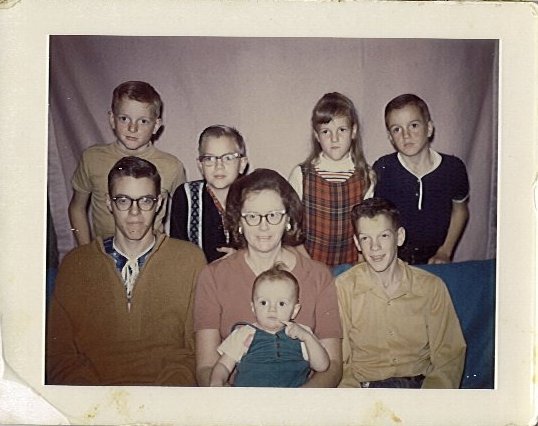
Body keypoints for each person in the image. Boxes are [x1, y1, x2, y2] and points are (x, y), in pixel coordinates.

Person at [47, 156, 206, 385]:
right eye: (123, 200)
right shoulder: (76, 265)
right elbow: (58, 354)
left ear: (159, 203)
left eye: (145, 201)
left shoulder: (189, 260)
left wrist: (166, 396)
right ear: (109, 203)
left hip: (166, 395)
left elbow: (196, 349)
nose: (135, 212)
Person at [194, 168, 342, 387]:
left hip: (301, 400)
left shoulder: (319, 276)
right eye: (252, 216)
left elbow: (333, 365)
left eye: (273, 215)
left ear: (288, 219)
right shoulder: (213, 276)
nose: (263, 226)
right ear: (239, 222)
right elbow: (206, 366)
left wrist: (296, 404)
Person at [336, 198, 466, 389]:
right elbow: (340, 362)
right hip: (367, 388)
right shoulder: (343, 288)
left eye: (384, 236)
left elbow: (449, 356)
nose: (374, 247)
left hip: (420, 386)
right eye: (365, 238)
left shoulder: (431, 287)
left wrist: (432, 399)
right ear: (357, 243)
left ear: (400, 237)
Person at [68, 80, 185, 246]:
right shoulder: (92, 158)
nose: (132, 128)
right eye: (124, 118)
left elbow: (184, 215)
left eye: (143, 121)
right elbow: (77, 208)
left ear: (156, 125)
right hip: (104, 253)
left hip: (153, 254)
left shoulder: (171, 166)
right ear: (112, 119)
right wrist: (86, 250)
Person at [373, 93, 469, 265]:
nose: (406, 135)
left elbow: (460, 211)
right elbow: (376, 220)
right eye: (397, 129)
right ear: (390, 137)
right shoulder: (383, 168)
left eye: (414, 125)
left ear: (429, 128)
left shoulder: (453, 168)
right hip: (394, 260)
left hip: (435, 258)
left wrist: (445, 251)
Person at [288, 92, 374, 274]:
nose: (334, 138)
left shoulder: (366, 176)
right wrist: (308, 264)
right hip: (309, 265)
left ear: (353, 131)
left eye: (341, 130)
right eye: (326, 132)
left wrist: (360, 265)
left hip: (352, 267)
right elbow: (291, 228)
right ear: (317, 135)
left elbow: (368, 229)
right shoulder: (301, 175)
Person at [210, 263, 329, 387]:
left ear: (294, 310)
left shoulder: (301, 334)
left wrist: (308, 338)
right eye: (263, 303)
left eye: (281, 303)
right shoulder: (244, 334)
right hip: (249, 396)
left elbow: (321, 366)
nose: (272, 309)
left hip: (291, 397)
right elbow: (223, 365)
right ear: (253, 307)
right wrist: (216, 382)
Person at [170, 125, 248, 262]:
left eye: (228, 158)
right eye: (210, 158)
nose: (219, 166)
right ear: (200, 165)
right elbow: (178, 249)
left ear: (242, 164)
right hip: (198, 272)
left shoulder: (252, 198)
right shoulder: (186, 196)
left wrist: (243, 256)